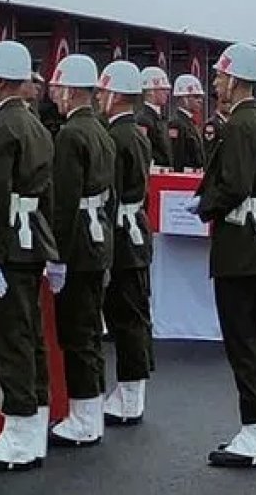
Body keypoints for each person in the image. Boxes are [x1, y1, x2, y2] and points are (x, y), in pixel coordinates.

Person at [0, 40, 63, 472]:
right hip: (31, 243)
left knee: (11, 339)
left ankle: (19, 432)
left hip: (7, 243)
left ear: (0, 80)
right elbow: (49, 195)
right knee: (33, 337)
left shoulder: (2, 128)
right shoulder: (37, 126)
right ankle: (34, 425)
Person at [188, 43, 256, 468]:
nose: (216, 83)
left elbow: (236, 184)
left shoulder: (242, 126)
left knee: (243, 340)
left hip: (242, 247)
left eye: (221, 77)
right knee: (252, 340)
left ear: (237, 80)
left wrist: (204, 204)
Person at [45, 55, 115, 448]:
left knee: (77, 332)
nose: (54, 96)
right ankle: (88, 410)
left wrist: (56, 256)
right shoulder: (101, 130)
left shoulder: (71, 135)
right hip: (98, 237)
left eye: (57, 89)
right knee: (88, 329)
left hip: (79, 244)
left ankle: (84, 415)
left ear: (70, 91)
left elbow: (63, 202)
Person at [96, 60, 155, 428]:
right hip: (136, 230)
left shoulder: (117, 138)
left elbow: (110, 194)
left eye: (103, 91)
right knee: (134, 313)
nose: (100, 97)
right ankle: (132, 390)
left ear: (116, 94)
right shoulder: (138, 134)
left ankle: (130, 393)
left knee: (126, 315)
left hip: (121, 233)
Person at [136, 66, 172, 168]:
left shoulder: (160, 118)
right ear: (150, 91)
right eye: (162, 89)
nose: (167, 93)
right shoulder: (143, 119)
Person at [169, 74, 206, 172]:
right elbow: (177, 156)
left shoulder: (189, 122)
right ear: (184, 98)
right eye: (196, 97)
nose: (200, 101)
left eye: (201, 97)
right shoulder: (177, 123)